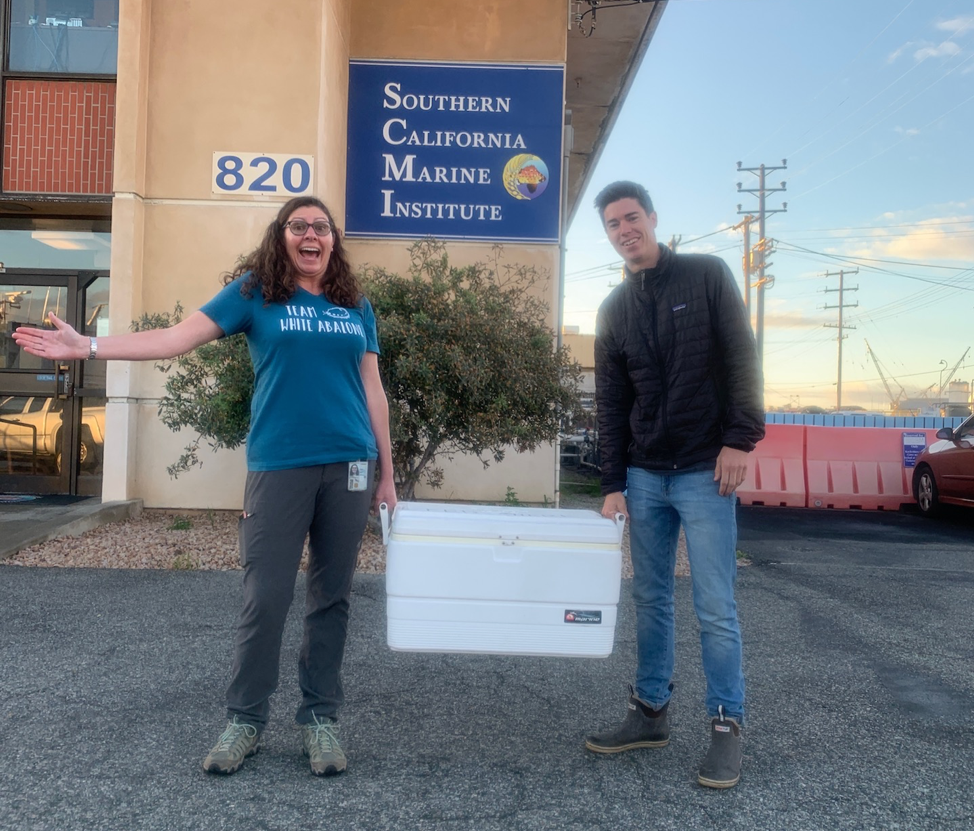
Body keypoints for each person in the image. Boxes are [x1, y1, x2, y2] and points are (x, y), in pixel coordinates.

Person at [13, 196, 398, 778]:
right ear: (283, 236)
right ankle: (245, 718)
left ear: (333, 240)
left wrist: (387, 473)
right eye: (299, 226)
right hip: (281, 465)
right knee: (266, 595)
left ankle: (321, 719)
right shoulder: (256, 292)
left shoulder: (355, 304)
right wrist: (89, 345)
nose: (311, 235)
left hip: (350, 464)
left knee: (332, 597)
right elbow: (174, 338)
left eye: (321, 227)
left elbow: (373, 390)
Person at [584, 181, 764, 789]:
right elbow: (612, 401)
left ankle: (725, 726)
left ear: (653, 219)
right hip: (643, 476)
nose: (624, 230)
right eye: (612, 224)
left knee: (715, 606)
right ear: (607, 233)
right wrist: (612, 481)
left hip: (704, 471)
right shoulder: (613, 308)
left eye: (632, 218)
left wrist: (740, 437)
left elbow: (741, 355)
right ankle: (650, 713)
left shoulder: (706, 276)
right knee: (651, 600)